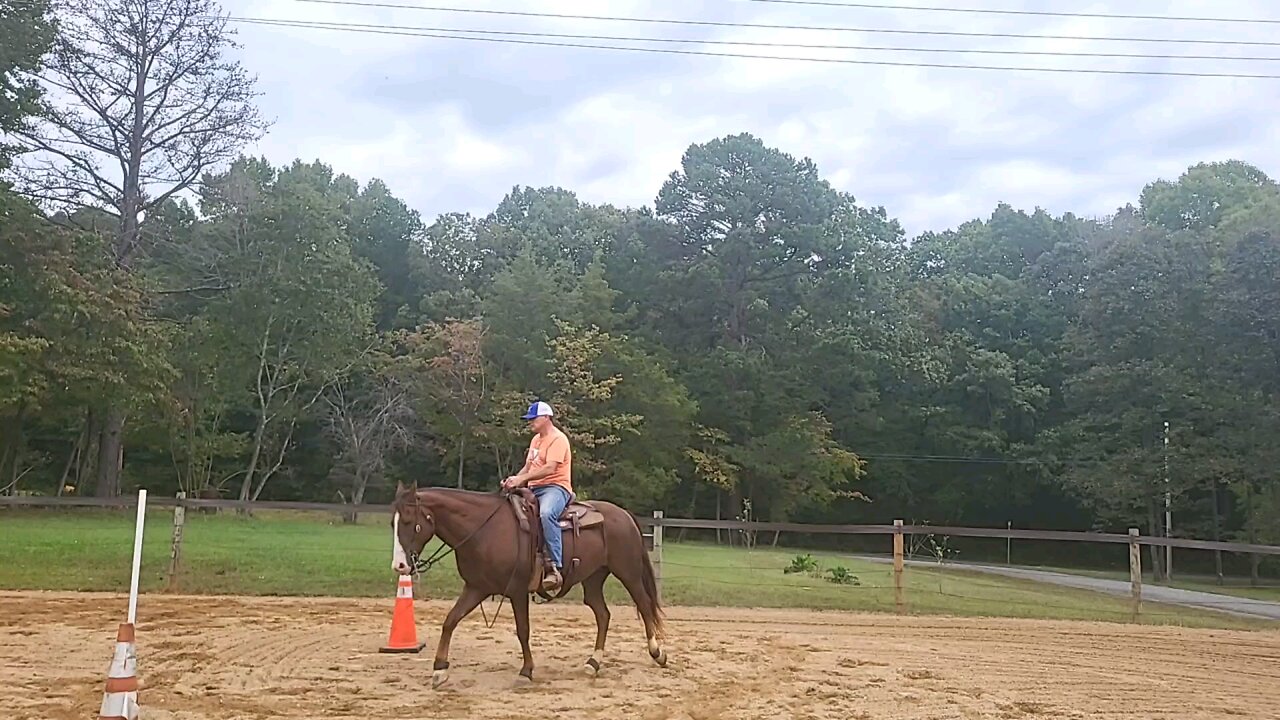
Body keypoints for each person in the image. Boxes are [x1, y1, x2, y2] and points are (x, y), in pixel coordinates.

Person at [501, 400, 573, 592]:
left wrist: (522, 479)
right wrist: (514, 479)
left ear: (546, 418)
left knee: (546, 513)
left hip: (556, 487)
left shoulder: (558, 439)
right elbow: (529, 466)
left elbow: (550, 468)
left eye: (533, 418)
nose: (530, 422)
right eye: (529, 419)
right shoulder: (536, 440)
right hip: (534, 488)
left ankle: (555, 567)